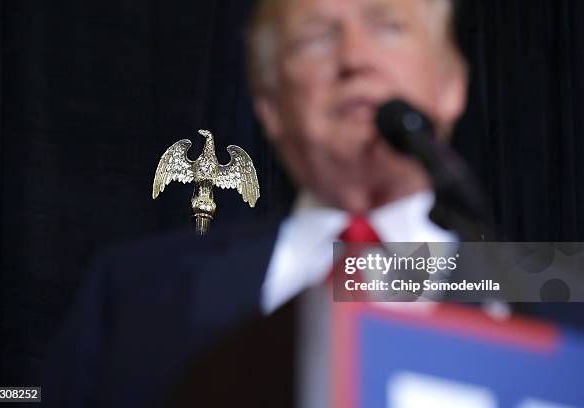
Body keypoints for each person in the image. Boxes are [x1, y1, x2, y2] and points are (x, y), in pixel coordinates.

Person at [43, 0, 467, 406]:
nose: (354, 57)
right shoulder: (131, 295)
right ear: (270, 108)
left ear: (452, 86)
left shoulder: (527, 288)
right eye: (316, 38)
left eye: (388, 27)